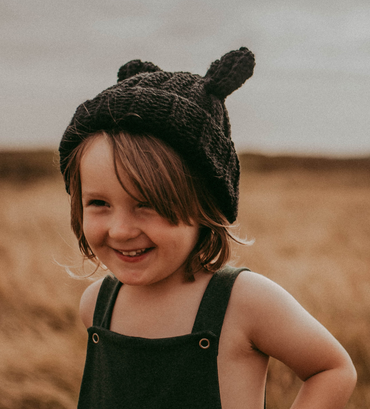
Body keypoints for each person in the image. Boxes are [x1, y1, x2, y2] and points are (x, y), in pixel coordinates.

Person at [59, 47, 356, 409]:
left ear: (204, 206)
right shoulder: (96, 304)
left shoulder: (245, 302)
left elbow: (332, 369)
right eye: (99, 204)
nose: (120, 230)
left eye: (148, 204)